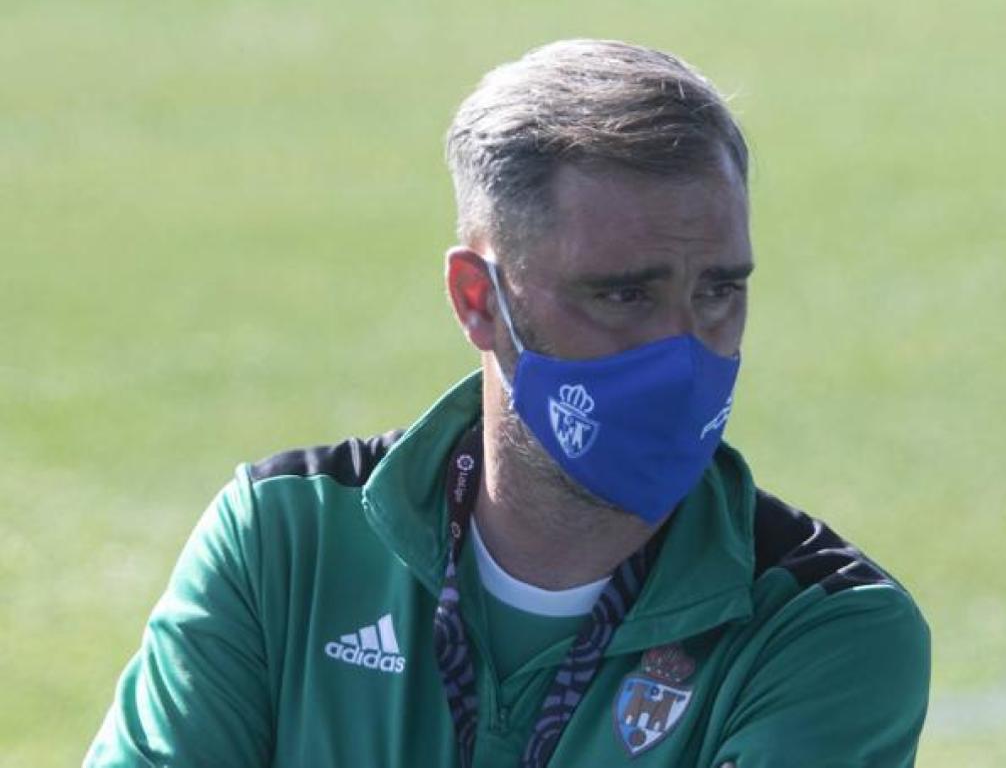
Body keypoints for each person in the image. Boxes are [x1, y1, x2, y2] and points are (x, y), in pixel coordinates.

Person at [85, 39, 929, 768]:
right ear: (477, 301)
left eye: (718, 292)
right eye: (625, 295)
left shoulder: (825, 630)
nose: (686, 353)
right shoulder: (283, 541)